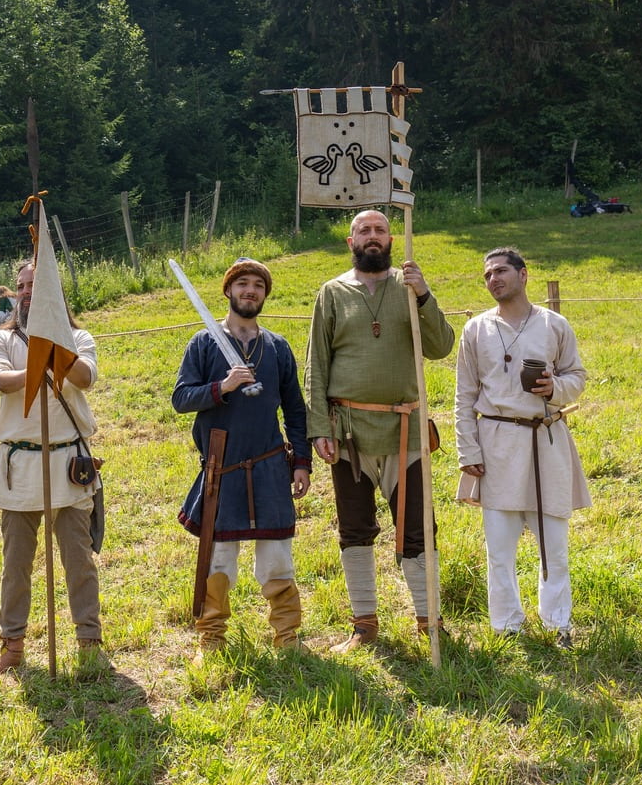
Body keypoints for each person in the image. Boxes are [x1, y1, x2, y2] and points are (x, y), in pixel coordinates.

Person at [304, 209, 455, 652]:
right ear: (350, 241)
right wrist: (319, 427)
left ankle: (429, 622)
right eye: (364, 230)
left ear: (391, 239)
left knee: (419, 529)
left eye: (380, 230)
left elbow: (441, 346)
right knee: (355, 530)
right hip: (348, 434)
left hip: (405, 432)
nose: (373, 236)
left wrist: (423, 295)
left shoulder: (409, 288)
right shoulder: (332, 292)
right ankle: (364, 625)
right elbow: (316, 365)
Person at [172, 258, 312, 659]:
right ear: (229, 290)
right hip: (223, 466)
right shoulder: (203, 343)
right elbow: (181, 398)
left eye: (258, 286)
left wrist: (301, 462)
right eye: (243, 284)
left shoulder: (277, 347)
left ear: (264, 295)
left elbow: (295, 409)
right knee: (217, 558)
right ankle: (212, 637)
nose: (250, 291)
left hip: (270, 463)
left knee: (277, 556)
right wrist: (223, 387)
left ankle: (287, 637)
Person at [454, 247, 589, 648]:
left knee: (554, 546)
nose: (493, 279)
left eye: (500, 271)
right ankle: (507, 626)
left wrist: (555, 388)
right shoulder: (476, 329)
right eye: (487, 275)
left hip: (545, 440)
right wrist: (468, 451)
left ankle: (558, 624)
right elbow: (464, 396)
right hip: (496, 444)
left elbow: (577, 376)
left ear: (523, 274)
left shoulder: (554, 325)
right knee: (499, 548)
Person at [0, 261, 103, 675]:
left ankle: (89, 642)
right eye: (21, 285)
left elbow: (84, 378)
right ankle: (12, 646)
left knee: (79, 559)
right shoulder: (0, 339)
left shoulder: (79, 339)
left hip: (69, 462)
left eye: (37, 284)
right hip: (21, 464)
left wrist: (54, 346)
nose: (27, 291)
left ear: (55, 291)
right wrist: (37, 362)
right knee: (16, 564)